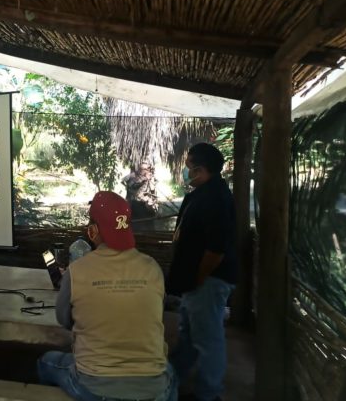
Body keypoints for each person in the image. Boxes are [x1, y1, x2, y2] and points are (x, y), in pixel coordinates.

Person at [37, 191, 177, 401]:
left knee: (46, 362)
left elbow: (64, 320)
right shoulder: (152, 268)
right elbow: (156, 313)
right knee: (170, 372)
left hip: (94, 386)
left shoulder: (78, 271)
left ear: (92, 231)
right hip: (152, 387)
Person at [167, 143, 236, 401]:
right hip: (196, 282)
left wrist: (198, 279)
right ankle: (173, 377)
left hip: (208, 281)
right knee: (190, 333)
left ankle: (209, 394)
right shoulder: (203, 192)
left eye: (188, 167)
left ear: (200, 168)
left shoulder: (216, 198)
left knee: (208, 340)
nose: (185, 172)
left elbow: (216, 250)